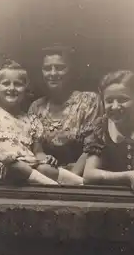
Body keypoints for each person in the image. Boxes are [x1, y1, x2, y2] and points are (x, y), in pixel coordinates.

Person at [0, 60, 84, 186]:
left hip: (27, 166)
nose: (11, 88)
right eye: (6, 83)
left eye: (18, 84)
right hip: (3, 166)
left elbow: (38, 152)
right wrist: (2, 158)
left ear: (26, 88)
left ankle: (81, 184)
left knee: (45, 169)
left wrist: (45, 158)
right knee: (18, 166)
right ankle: (56, 189)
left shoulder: (31, 120)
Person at [28, 45, 101, 176]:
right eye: (47, 68)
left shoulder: (88, 101)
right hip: (47, 176)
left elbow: (91, 149)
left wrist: (69, 183)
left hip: (80, 178)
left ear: (71, 71)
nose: (53, 73)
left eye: (60, 68)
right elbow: (36, 150)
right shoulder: (36, 107)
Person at [83, 70, 134, 192]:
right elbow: (89, 175)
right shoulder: (102, 127)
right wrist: (127, 177)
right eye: (109, 101)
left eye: (123, 100)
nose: (115, 106)